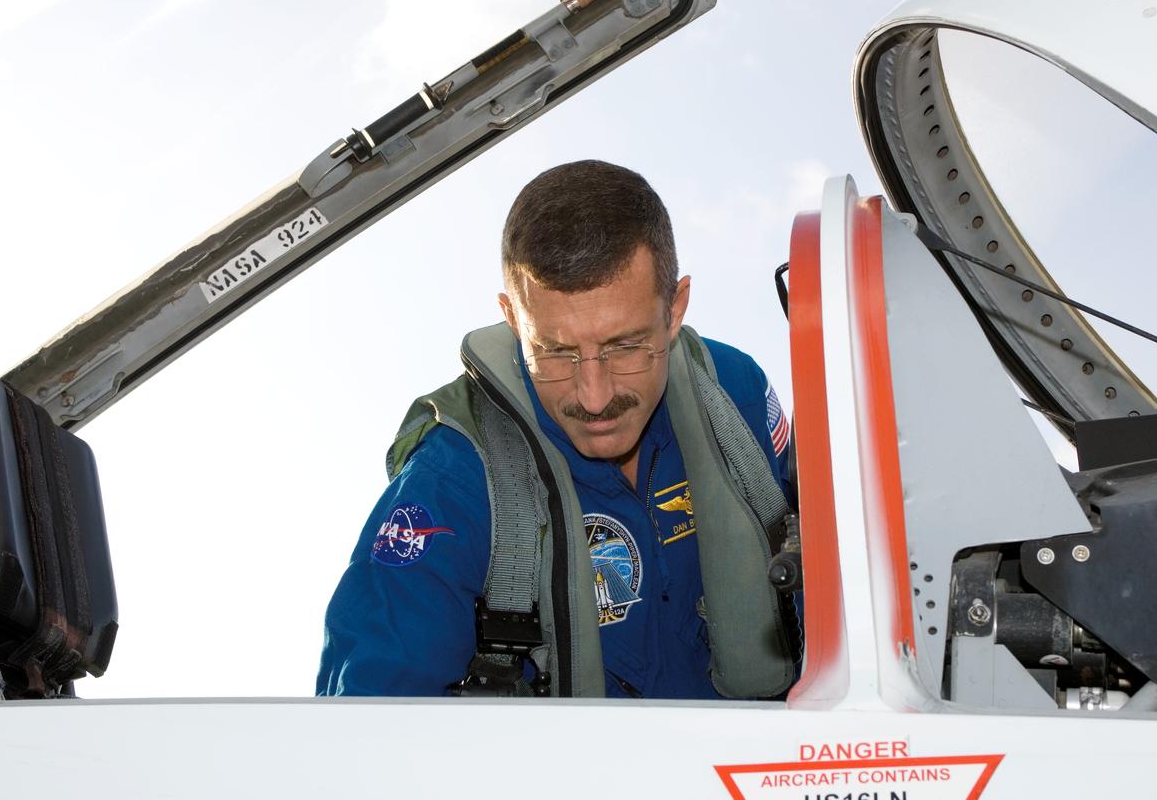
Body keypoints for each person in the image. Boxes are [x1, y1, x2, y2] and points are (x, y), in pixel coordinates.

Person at [317, 160, 798, 699]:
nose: (595, 398)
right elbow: (368, 720)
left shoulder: (738, 397)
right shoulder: (453, 477)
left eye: (624, 346)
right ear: (512, 319)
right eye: (556, 352)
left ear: (676, 308)